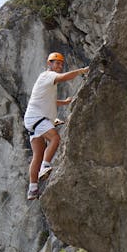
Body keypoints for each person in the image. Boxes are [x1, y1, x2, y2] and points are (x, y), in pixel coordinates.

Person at [23, 52, 89, 200]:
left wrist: (64, 103)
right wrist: (81, 71)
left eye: (61, 63)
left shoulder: (45, 80)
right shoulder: (48, 76)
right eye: (56, 63)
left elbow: (47, 100)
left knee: (37, 155)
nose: (59, 66)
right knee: (55, 138)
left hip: (33, 121)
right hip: (38, 119)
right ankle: (45, 167)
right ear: (49, 64)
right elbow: (63, 78)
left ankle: (32, 189)